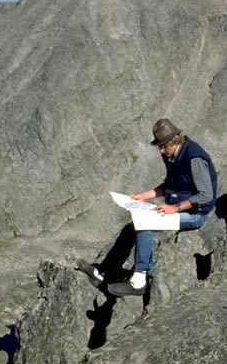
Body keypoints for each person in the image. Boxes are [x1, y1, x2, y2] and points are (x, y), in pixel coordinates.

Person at [80, 118, 217, 296]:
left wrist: (175, 208)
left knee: (145, 224)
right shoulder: (174, 155)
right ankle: (103, 273)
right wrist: (144, 195)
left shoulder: (194, 158)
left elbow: (205, 195)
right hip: (181, 208)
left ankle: (139, 281)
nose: (161, 151)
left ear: (173, 141)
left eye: (163, 146)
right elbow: (170, 185)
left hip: (195, 214)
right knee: (130, 228)